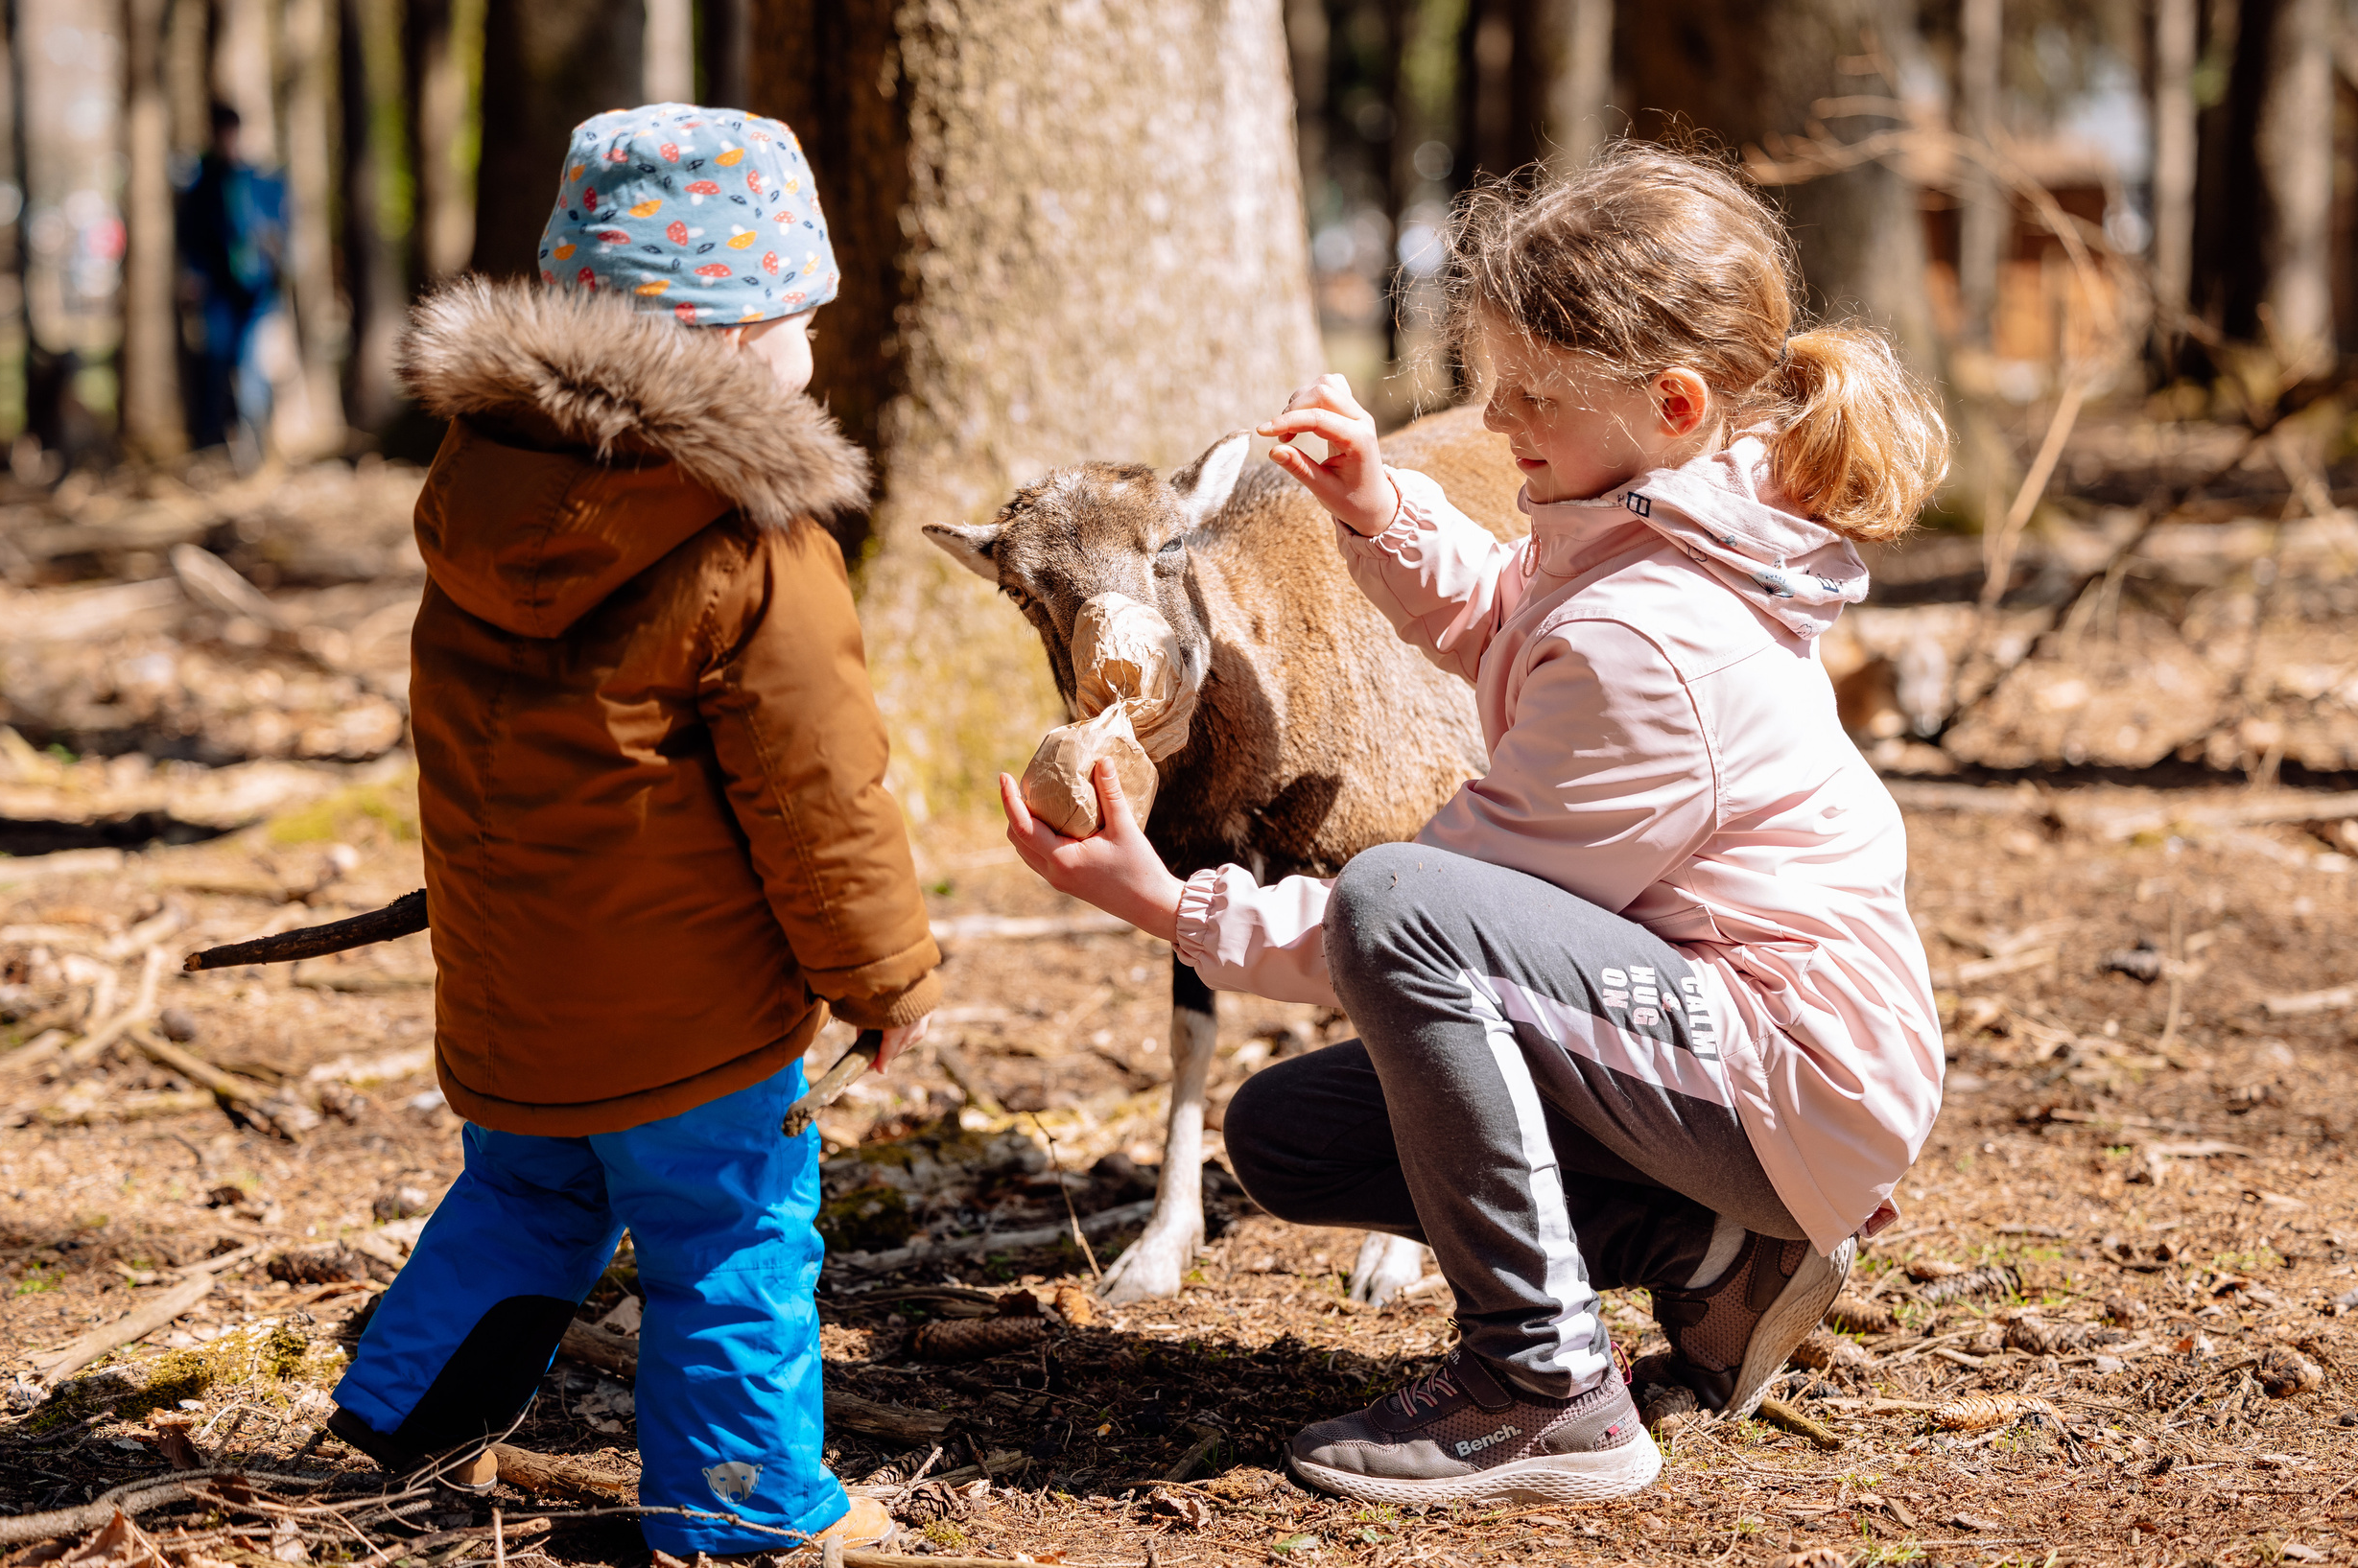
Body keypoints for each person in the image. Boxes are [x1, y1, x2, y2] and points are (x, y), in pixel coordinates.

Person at [1000, 146, 1946, 1506]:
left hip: (1793, 1073)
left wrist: (1165, 901)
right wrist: (1376, 510)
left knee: (1397, 901)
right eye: (1490, 378)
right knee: (1292, 1135)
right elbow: (1515, 614)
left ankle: (1544, 1384)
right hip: (1733, 1042)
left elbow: (1415, 919)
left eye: (1532, 393)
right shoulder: (1654, 519)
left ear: (1671, 402)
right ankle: (1717, 1256)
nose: (1492, 416)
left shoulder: (1651, 642)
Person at [325, 105, 938, 1555]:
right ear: (733, 338)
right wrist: (883, 975)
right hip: (692, 1014)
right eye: (798, 320)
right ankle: (743, 1511)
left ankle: (397, 1429)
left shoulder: (482, 484)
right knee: (733, 1235)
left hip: (512, 987)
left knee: (525, 1195)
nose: (809, 349)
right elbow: (818, 793)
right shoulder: (750, 532)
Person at [174, 104, 288, 456]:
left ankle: (257, 442)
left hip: (257, 294)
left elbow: (282, 233)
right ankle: (214, 441)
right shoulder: (200, 186)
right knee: (217, 362)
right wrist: (193, 275)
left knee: (253, 367)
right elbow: (190, 238)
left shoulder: (262, 182)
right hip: (217, 294)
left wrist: (274, 248)